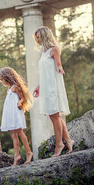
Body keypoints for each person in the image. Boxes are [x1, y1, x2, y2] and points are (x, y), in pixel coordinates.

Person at [32, 26, 74, 157]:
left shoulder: (54, 49)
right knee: (54, 116)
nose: (37, 40)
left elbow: (58, 65)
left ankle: (59, 145)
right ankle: (68, 140)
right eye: (36, 37)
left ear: (46, 36)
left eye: (39, 37)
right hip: (45, 86)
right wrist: (39, 86)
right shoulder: (43, 52)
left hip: (53, 86)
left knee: (54, 115)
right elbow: (45, 72)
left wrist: (60, 69)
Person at [0, 67, 34, 165]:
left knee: (20, 132)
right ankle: (16, 156)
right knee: (13, 135)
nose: (2, 82)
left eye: (2, 79)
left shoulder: (16, 87)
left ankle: (29, 152)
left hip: (15, 113)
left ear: (7, 77)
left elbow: (23, 98)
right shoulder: (9, 89)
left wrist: (19, 102)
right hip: (10, 113)